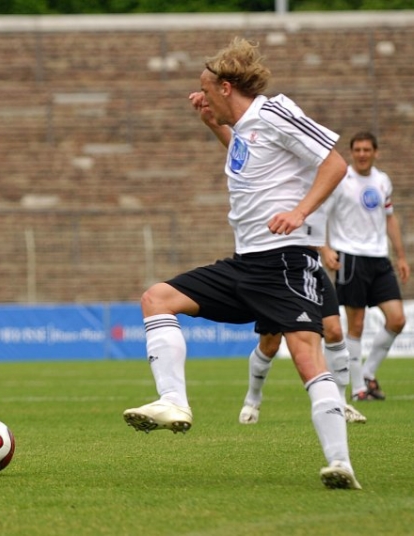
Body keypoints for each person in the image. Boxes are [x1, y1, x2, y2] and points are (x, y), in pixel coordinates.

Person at [122, 37, 361, 489]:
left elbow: (334, 163)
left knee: (307, 359)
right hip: (244, 264)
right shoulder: (247, 128)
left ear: (226, 86)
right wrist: (212, 123)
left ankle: (340, 464)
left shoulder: (274, 112)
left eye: (206, 89)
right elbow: (246, 158)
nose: (201, 94)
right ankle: (173, 401)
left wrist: (300, 213)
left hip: (284, 263)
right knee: (157, 298)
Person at [320, 131, 409, 402]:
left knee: (397, 319)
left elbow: (390, 218)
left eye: (366, 150)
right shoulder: (341, 180)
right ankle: (359, 389)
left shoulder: (382, 181)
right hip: (350, 257)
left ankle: (368, 373)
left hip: (379, 258)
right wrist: (324, 248)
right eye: (357, 149)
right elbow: (320, 213)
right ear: (351, 153)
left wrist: (401, 256)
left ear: (375, 152)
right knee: (355, 325)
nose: (361, 154)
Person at [238, 267, 367, 425]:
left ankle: (339, 404)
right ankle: (253, 399)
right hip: (275, 273)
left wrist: (324, 250)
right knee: (270, 344)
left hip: (310, 269)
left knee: (334, 331)